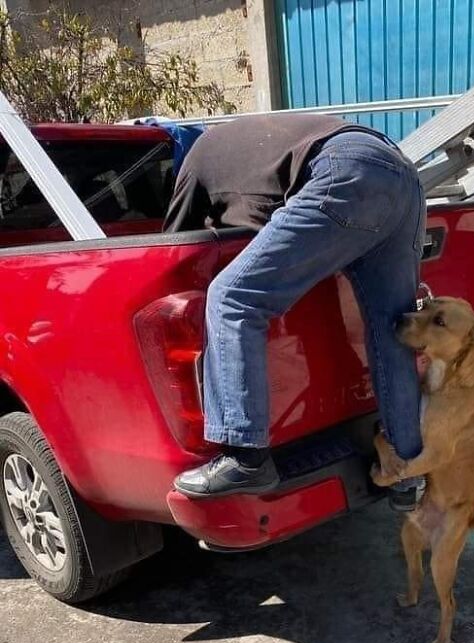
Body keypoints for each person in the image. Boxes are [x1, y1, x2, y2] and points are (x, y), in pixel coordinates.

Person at [163, 113, 426, 511]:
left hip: (344, 170)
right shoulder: (244, 145)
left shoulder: (193, 162)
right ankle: (407, 473)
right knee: (392, 331)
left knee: (232, 298)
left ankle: (245, 457)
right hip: (401, 174)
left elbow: (172, 246)